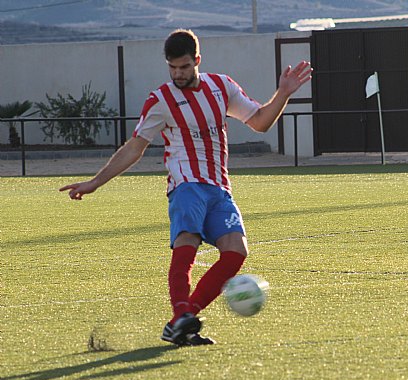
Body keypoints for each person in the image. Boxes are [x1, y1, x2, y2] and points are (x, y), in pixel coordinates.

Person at [60, 29, 312, 346]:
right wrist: (96, 181)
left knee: (236, 252)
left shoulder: (222, 87)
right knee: (187, 243)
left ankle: (181, 320)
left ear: (197, 61)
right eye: (172, 67)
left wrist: (283, 94)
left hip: (219, 188)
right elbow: (135, 147)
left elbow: (260, 121)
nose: (178, 73)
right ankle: (182, 316)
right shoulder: (160, 100)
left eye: (184, 67)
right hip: (186, 185)